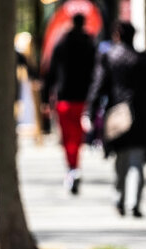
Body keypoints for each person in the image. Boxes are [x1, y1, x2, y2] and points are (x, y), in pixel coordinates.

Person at [82, 21, 146, 218]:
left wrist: (90, 112)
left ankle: (119, 200)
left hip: (118, 117)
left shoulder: (109, 57)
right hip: (142, 117)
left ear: (117, 35)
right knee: (137, 161)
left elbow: (98, 85)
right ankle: (134, 203)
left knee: (120, 162)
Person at [41, 13, 96, 194]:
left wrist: (44, 98)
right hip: (84, 98)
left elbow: (50, 73)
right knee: (77, 137)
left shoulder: (61, 43)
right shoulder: (90, 44)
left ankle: (72, 168)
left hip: (64, 97)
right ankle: (74, 167)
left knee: (67, 137)